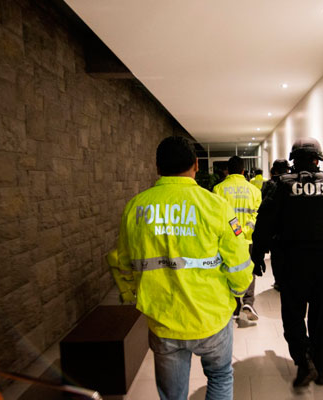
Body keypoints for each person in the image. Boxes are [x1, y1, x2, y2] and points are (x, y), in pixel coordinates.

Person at [116, 136, 253, 400]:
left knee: (172, 395)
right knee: (220, 376)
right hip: (211, 317)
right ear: (196, 165)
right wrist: (238, 291)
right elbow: (238, 261)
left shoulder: (135, 207)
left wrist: (135, 295)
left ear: (158, 167)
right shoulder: (216, 206)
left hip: (163, 319)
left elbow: (125, 262)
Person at [252, 138, 323, 388]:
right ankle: (321, 370)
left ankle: (304, 361)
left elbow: (264, 223)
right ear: (317, 159)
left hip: (291, 264)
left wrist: (258, 254)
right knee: (320, 319)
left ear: (293, 160)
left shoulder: (281, 185)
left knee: (293, 317)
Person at [213, 156, 262, 322]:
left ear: (227, 170)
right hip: (247, 238)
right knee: (248, 268)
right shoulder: (254, 191)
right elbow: (256, 215)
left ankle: (234, 306)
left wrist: (234, 232)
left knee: (228, 268)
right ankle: (248, 302)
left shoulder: (218, 189)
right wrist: (244, 231)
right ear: (243, 171)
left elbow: (217, 215)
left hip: (226, 239)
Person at [259, 159, 290, 291]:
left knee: (276, 257)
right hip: (289, 228)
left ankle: (278, 281)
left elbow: (263, 206)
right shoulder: (292, 184)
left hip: (274, 229)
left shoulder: (269, 184)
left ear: (274, 170)